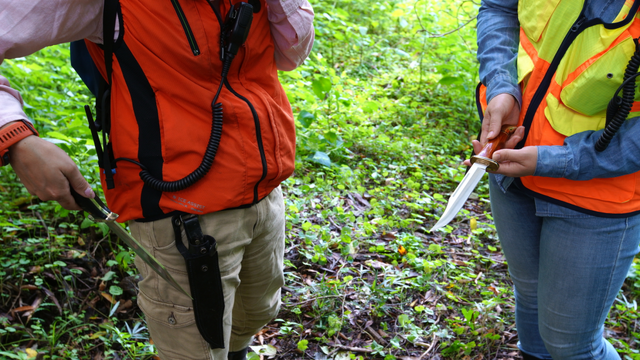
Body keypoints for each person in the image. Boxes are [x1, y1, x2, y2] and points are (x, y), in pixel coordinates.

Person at [0, 0, 314, 359]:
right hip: (181, 218)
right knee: (196, 349)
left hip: (264, 191)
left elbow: (292, 52)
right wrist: (14, 135)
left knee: (253, 314)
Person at [471, 0, 640, 359]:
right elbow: (499, 8)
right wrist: (502, 87)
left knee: (572, 345)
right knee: (530, 296)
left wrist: (559, 159)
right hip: (514, 171)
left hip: (598, 201)